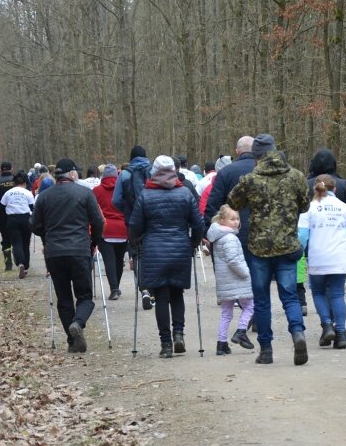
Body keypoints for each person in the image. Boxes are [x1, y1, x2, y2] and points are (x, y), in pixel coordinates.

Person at [227, 134, 310, 365]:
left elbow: (233, 203)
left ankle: (266, 349)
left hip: (259, 248)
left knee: (262, 301)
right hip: (287, 245)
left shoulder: (249, 179)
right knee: (290, 296)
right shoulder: (296, 176)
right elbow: (305, 205)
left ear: (256, 156)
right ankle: (297, 332)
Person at [128, 156, 204, 358]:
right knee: (177, 293)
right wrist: (193, 243)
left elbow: (134, 227)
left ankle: (166, 344)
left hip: (154, 251)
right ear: (173, 171)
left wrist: (137, 240)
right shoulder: (185, 193)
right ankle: (179, 334)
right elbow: (198, 224)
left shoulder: (145, 195)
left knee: (161, 296)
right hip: (180, 248)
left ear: (153, 172)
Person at [31, 158, 104, 353]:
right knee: (85, 296)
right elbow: (98, 221)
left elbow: (35, 225)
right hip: (79, 249)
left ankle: (72, 342)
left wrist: (48, 234)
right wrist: (95, 241)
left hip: (54, 253)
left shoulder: (44, 197)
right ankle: (78, 324)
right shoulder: (85, 193)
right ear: (72, 174)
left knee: (63, 298)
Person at [298, 174, 346, 349]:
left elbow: (301, 235)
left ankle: (327, 324)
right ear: (335, 189)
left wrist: (298, 253)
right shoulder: (344, 207)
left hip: (318, 258)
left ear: (315, 188)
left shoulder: (308, 208)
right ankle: (341, 333)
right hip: (339, 258)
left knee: (318, 292)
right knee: (337, 294)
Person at [206, 205, 255, 355]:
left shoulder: (217, 236)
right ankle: (241, 331)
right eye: (232, 219)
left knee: (226, 313)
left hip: (225, 281)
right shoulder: (230, 238)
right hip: (237, 279)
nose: (235, 222)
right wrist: (246, 273)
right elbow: (233, 260)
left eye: (237, 219)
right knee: (250, 306)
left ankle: (221, 344)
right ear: (222, 220)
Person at [205, 137, 255, 264]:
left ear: (237, 151)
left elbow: (213, 204)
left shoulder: (226, 172)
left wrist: (209, 232)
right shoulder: (265, 172)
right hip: (261, 234)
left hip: (232, 233)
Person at [112, 146, 152, 306]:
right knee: (153, 250)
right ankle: (155, 287)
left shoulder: (125, 174)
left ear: (131, 158)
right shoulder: (153, 171)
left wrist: (128, 210)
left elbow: (115, 200)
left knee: (137, 254)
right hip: (153, 218)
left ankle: (144, 289)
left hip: (133, 220)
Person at [93, 164, 128, 300]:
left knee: (109, 260)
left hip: (105, 228)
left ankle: (114, 288)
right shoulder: (124, 190)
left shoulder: (96, 191)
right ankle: (116, 286)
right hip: (122, 228)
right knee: (119, 260)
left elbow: (94, 211)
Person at [0, 171, 35, 279]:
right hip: (25, 218)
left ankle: (20, 263)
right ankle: (26, 268)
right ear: (25, 182)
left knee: (16, 243)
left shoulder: (8, 193)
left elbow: (2, 207)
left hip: (12, 219)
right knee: (25, 244)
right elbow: (32, 207)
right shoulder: (27, 192)